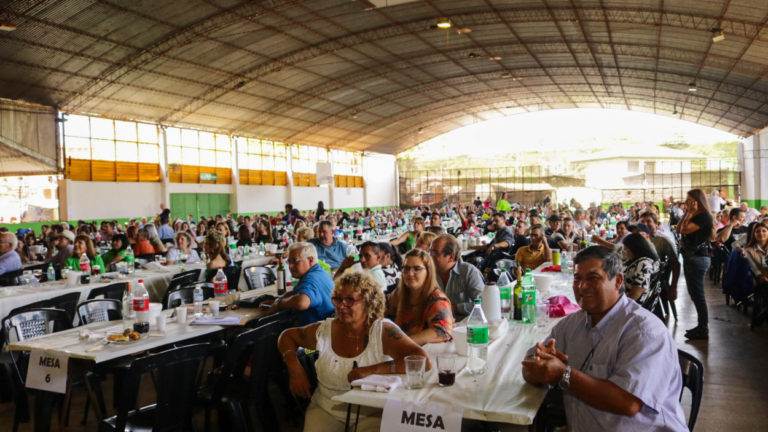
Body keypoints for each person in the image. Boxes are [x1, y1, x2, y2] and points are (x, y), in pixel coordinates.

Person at [521, 246, 687, 431]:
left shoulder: (644, 331)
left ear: (617, 281)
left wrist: (562, 374)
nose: (582, 287)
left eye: (593, 278)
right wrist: (538, 366)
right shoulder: (572, 324)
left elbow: (628, 403)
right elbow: (529, 365)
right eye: (577, 279)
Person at [278, 271, 429, 432]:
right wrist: (294, 367)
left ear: (368, 302)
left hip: (373, 412)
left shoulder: (382, 331)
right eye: (338, 299)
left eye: (350, 300)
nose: (342, 305)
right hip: (327, 409)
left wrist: (372, 370)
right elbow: (286, 336)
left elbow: (423, 360)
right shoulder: (324, 331)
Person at [385, 249, 453, 345]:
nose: (410, 273)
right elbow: (384, 310)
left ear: (428, 272)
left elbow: (443, 331)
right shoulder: (399, 294)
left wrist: (402, 343)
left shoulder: (437, 299)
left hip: (424, 355)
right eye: (406, 268)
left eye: (417, 269)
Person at [261, 242, 335, 325]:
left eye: (295, 261)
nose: (290, 266)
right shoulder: (320, 272)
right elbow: (296, 293)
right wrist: (278, 300)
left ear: (310, 260)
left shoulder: (312, 278)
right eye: (289, 262)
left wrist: (279, 304)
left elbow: (302, 302)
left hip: (314, 334)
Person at [677, 188, 714, 340]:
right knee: (694, 293)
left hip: (698, 258)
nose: (686, 202)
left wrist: (690, 213)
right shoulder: (695, 215)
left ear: (697, 201)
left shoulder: (704, 216)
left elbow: (685, 230)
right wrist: (687, 212)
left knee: (698, 295)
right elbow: (679, 228)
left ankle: (703, 328)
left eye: (689, 200)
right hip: (691, 258)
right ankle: (701, 326)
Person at [430, 234, 484, 320]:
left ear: (451, 257)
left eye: (435, 253)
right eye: (430, 252)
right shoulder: (429, 273)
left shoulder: (469, 272)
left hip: (465, 326)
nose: (430, 256)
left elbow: (483, 303)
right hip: (437, 325)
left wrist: (455, 308)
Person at [639, 212, 681, 311]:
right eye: (642, 222)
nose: (645, 224)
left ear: (656, 224)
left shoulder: (662, 240)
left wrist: (673, 287)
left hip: (653, 279)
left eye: (648, 221)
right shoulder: (637, 239)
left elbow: (675, 264)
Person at [621, 233, 659, 302]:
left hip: (630, 304)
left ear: (634, 249)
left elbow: (634, 296)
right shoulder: (638, 260)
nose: (625, 252)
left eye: (626, 249)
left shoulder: (644, 265)